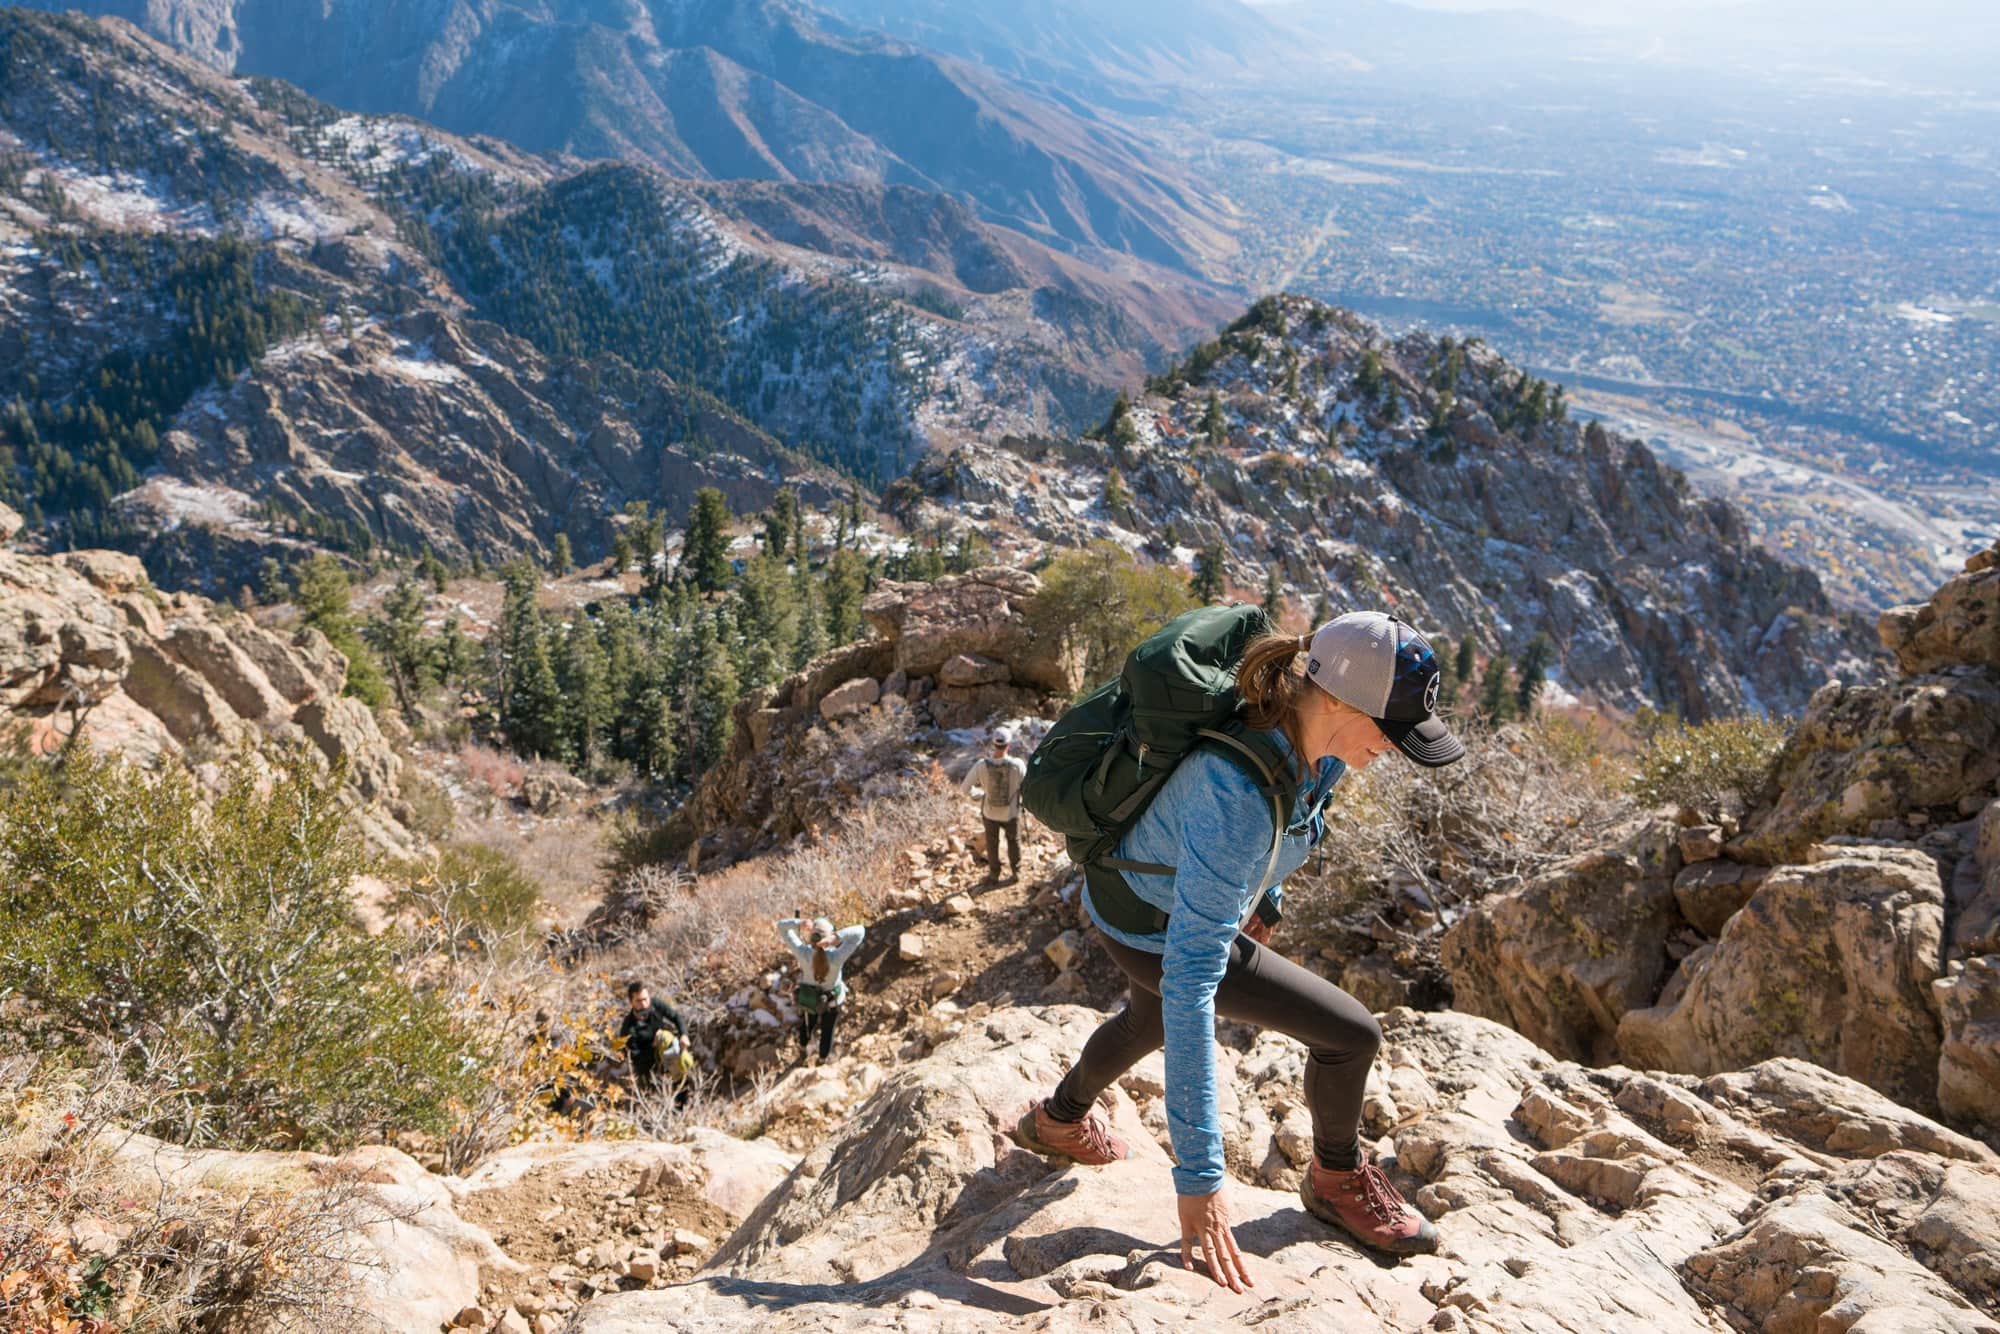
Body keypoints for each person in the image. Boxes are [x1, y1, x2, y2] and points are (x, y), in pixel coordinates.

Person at [1014, 611, 1465, 1290]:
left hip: (1131, 893)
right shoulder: (1235, 796)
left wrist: (1266, 899)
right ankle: (1335, 1181)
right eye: (1391, 731)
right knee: (1350, 1036)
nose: (1396, 750)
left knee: (1148, 1018)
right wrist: (1199, 1179)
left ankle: (1057, 1120)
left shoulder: (1316, 736)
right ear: (1339, 700)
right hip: (1153, 926)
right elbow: (1193, 986)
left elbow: (1296, 821)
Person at [777, 912, 866, 1063]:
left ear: (811, 937)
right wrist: (837, 937)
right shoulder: (837, 957)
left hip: (810, 999)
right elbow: (860, 931)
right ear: (828, 937)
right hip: (832, 1001)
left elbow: (781, 926)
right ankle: (822, 1059)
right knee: (827, 1030)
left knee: (807, 1024)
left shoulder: (802, 953)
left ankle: (803, 1051)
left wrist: (799, 923)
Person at [962, 732, 1027, 883]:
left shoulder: (981, 765)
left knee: (992, 843)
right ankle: (1016, 872)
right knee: (1014, 841)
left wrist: (980, 795)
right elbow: (1027, 786)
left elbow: (965, 788)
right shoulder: (1018, 765)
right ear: (1008, 745)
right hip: (1011, 812)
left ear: (993, 744)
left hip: (990, 813)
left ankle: (994, 874)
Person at [619, 981, 689, 1097]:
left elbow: (676, 1017)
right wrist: (654, 1045)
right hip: (646, 1066)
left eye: (646, 999)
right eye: (638, 1001)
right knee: (654, 1095)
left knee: (667, 1039)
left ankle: (684, 1097)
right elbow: (634, 1057)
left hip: (665, 1053)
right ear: (631, 1002)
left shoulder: (655, 1005)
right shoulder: (628, 1028)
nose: (644, 1004)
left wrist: (684, 1035)